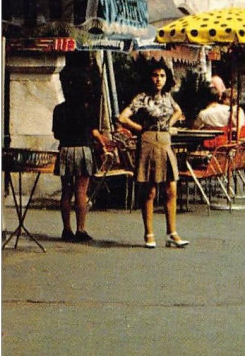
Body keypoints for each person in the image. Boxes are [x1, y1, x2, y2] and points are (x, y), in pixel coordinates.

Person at [117, 60, 189, 248]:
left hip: (165, 141)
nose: (159, 79)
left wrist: (169, 124)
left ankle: (172, 232)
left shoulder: (168, 96)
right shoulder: (142, 97)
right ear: (150, 77)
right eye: (155, 75)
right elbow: (122, 117)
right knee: (150, 190)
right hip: (148, 141)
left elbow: (179, 111)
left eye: (162, 76)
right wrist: (139, 128)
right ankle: (149, 233)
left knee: (171, 188)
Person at [52, 62, 101, 243]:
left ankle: (66, 229)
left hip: (65, 149)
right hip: (83, 150)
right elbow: (94, 133)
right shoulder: (87, 109)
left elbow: (56, 133)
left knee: (66, 191)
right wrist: (103, 144)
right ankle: (81, 229)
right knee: (81, 191)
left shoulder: (59, 109)